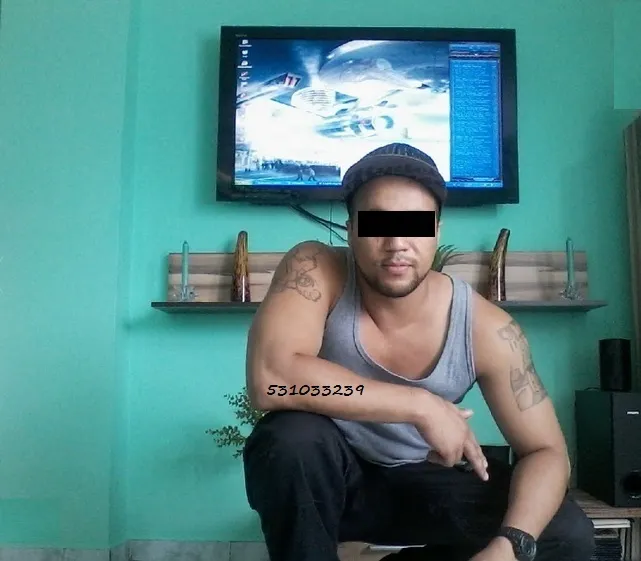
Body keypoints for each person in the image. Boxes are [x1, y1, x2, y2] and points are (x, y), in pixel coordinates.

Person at [242, 143, 595, 561]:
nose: (397, 243)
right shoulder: (316, 267)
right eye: (377, 224)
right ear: (351, 231)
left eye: (415, 224)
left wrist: (509, 546)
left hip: (422, 478)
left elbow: (547, 452)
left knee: (564, 532)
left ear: (437, 232)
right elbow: (272, 381)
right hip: (332, 478)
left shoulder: (488, 329)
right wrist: (421, 405)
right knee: (290, 439)